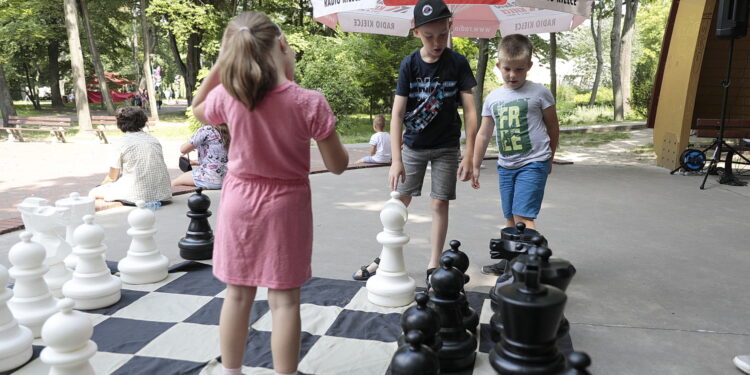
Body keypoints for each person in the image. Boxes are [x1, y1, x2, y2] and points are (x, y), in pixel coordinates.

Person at [190, 12, 348, 375]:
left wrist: (219, 64)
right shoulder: (310, 101)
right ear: (282, 46)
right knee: (285, 302)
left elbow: (198, 110)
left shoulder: (230, 95)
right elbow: (338, 164)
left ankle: (231, 371)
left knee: (237, 294)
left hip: (239, 203)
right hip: (287, 206)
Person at [352, 0, 477, 282]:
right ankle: (383, 258)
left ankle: (434, 265)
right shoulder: (410, 64)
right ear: (416, 32)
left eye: (442, 35)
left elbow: (470, 110)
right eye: (429, 36)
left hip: (446, 147)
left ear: (450, 27)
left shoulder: (458, 63)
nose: (437, 42)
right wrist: (396, 159)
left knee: (439, 203)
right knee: (399, 200)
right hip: (414, 146)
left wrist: (470, 155)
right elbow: (397, 114)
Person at [471, 34, 560, 276]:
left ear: (529, 66)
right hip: (505, 165)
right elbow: (483, 134)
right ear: (499, 65)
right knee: (510, 216)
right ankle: (512, 261)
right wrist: (475, 165)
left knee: (523, 216)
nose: (512, 75)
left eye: (519, 69)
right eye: (507, 68)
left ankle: (533, 267)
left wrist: (549, 158)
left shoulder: (540, 93)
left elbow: (553, 127)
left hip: (533, 162)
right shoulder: (493, 98)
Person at [88, 106, 172, 205]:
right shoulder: (153, 140)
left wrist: (101, 186)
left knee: (93, 193)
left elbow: (112, 176)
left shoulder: (121, 143)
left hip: (135, 195)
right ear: (143, 121)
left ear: (120, 123)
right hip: (163, 194)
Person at [171, 123, 230, 189]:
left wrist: (192, 144)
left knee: (175, 182)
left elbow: (183, 149)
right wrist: (195, 162)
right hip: (227, 179)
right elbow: (220, 159)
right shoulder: (228, 129)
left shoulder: (206, 129)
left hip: (209, 178)